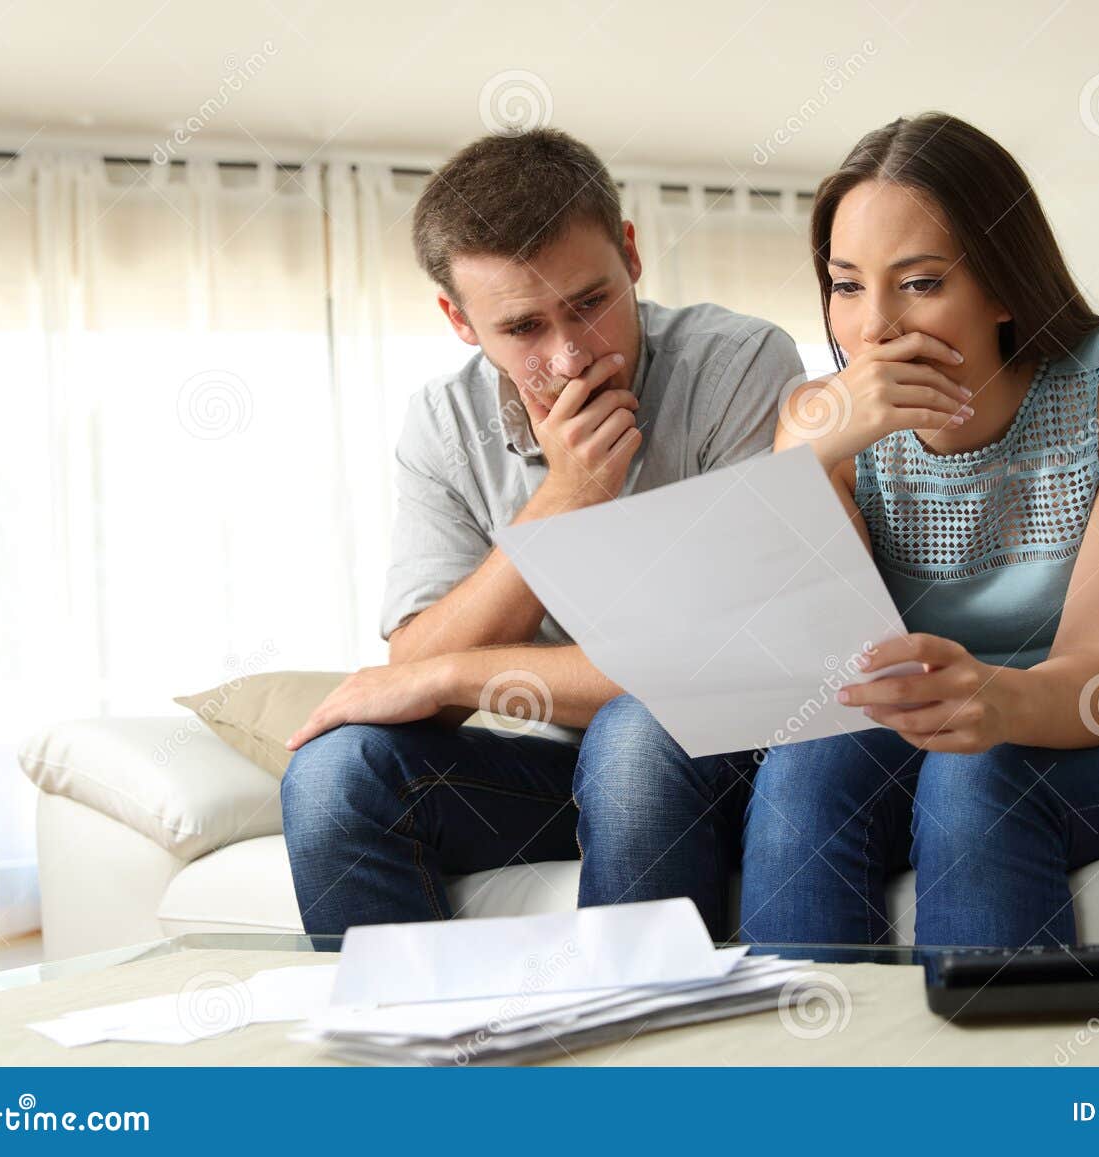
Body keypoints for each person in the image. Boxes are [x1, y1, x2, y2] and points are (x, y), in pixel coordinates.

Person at [575, 112, 1099, 948]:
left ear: (1007, 285)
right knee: (807, 762)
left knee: (979, 772)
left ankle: (992, 1076)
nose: (874, 328)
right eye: (846, 285)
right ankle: (810, 1065)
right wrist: (811, 459)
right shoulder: (816, 420)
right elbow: (820, 667)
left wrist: (994, 698)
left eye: (920, 282)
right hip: (930, 730)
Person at [279, 127, 802, 934]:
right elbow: (412, 674)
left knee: (634, 733)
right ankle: (423, 1054)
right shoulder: (444, 426)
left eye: (590, 304)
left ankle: (633, 1051)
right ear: (460, 319)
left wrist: (456, 675)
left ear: (630, 254)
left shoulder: (738, 365)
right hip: (575, 768)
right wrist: (567, 494)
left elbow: (724, 665)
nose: (567, 356)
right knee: (333, 773)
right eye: (523, 328)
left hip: (741, 760)